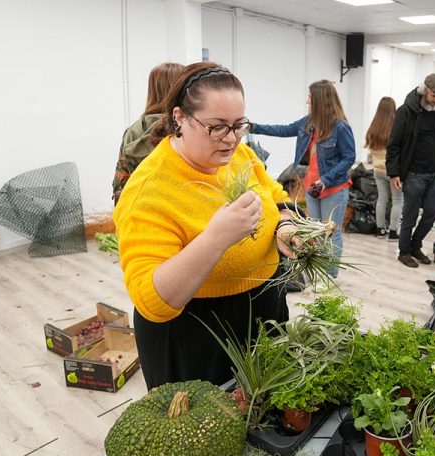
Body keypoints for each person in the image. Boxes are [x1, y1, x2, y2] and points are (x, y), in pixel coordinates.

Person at [114, 62, 299, 390]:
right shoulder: (150, 189)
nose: (231, 139)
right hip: (198, 334)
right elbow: (152, 300)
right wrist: (217, 238)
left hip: (263, 313)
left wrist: (284, 226)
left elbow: (276, 196)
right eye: (217, 127)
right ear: (180, 118)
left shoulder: (240, 155)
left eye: (238, 125)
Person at [251, 80, 355, 278]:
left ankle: (329, 275)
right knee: (313, 230)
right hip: (311, 186)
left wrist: (326, 179)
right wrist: (253, 127)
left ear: (319, 99)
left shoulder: (341, 127)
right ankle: (317, 270)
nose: (307, 100)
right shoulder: (308, 123)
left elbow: (349, 157)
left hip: (333, 188)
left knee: (331, 232)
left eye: (309, 96)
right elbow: (283, 129)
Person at [386, 73, 435, 268]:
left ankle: (415, 245)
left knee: (433, 212)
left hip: (432, 173)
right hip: (413, 174)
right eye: (434, 96)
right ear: (424, 91)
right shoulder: (406, 112)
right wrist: (394, 173)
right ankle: (404, 251)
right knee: (410, 214)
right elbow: (394, 145)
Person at [112, 62, 184, 204]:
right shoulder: (186, 125)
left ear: (152, 90)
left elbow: (120, 182)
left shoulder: (133, 130)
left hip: (141, 207)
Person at [365, 96, 402, 239]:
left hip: (377, 170)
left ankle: (380, 229)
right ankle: (393, 232)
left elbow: (369, 150)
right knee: (398, 201)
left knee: (382, 199)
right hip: (393, 172)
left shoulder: (374, 128)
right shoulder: (395, 128)